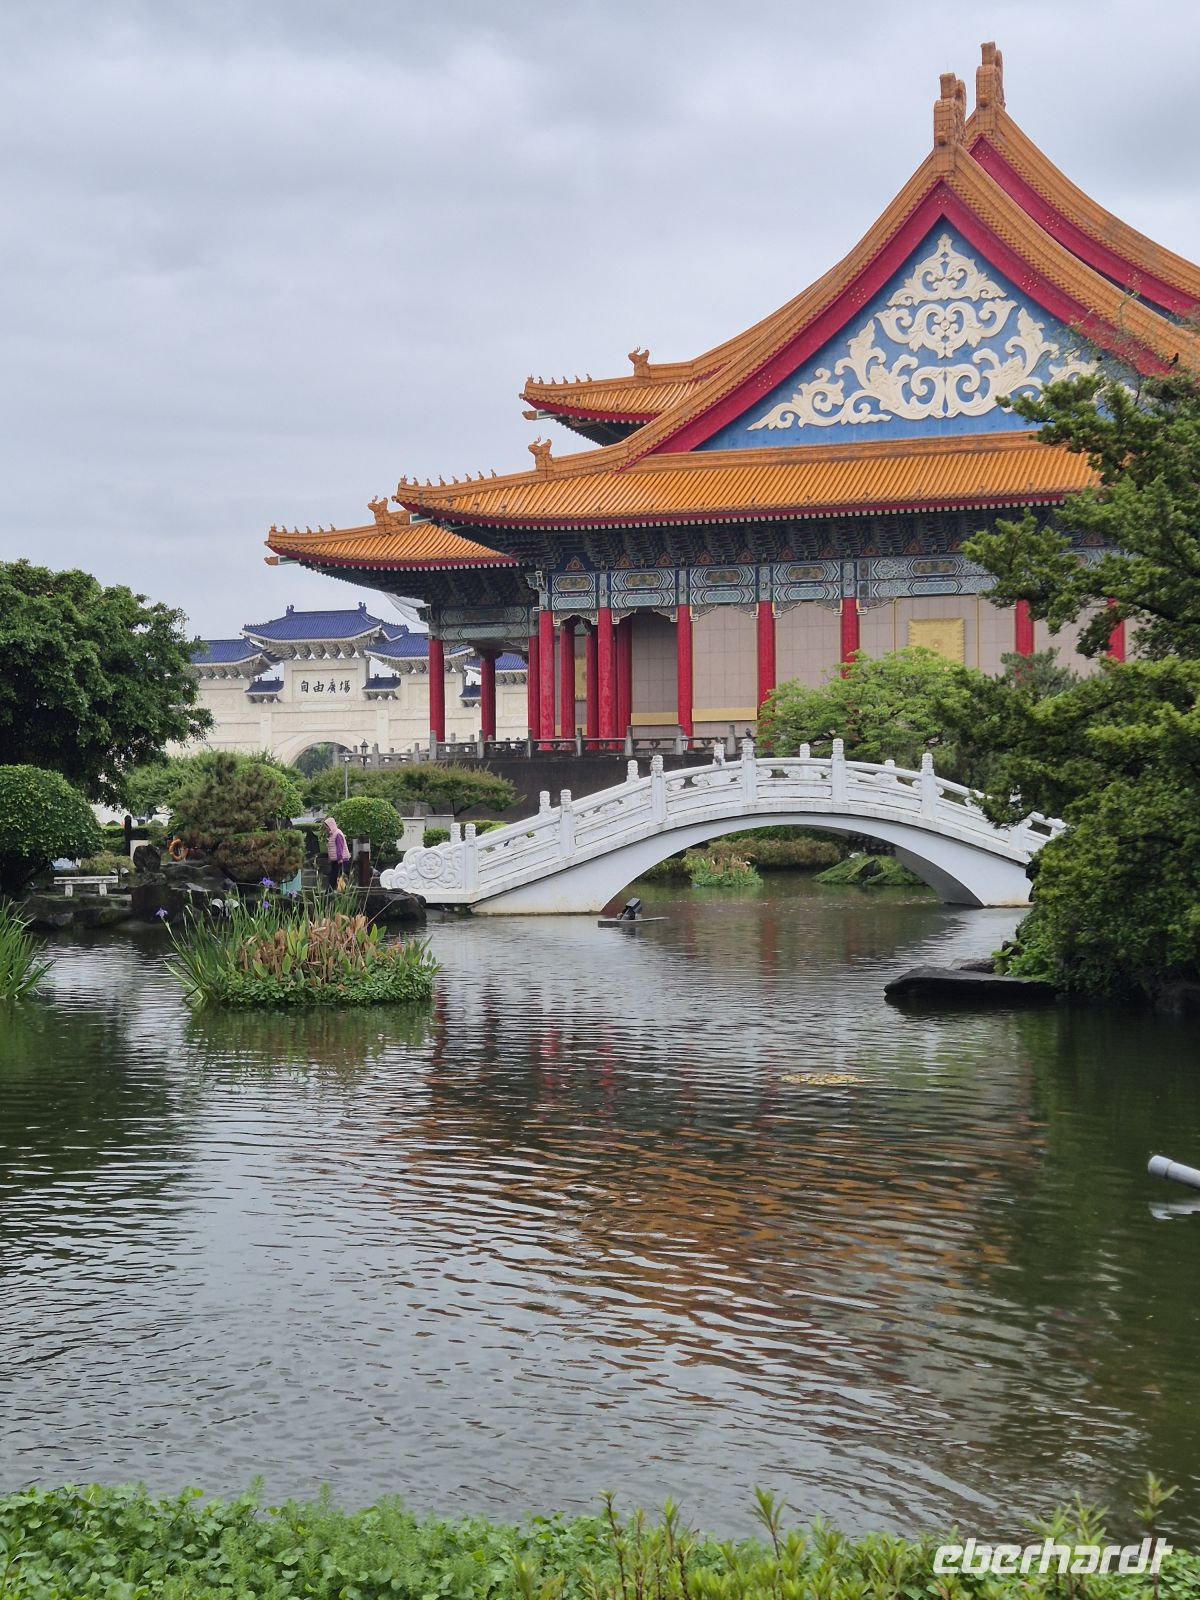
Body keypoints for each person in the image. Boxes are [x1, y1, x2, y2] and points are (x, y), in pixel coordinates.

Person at [323, 816, 349, 889]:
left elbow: (340, 847)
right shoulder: (333, 834)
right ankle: (333, 891)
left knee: (336, 877)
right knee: (335, 876)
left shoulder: (337, 834)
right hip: (336, 860)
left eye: (326, 827)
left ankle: (331, 892)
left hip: (340, 860)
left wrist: (340, 859)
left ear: (331, 826)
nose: (326, 829)